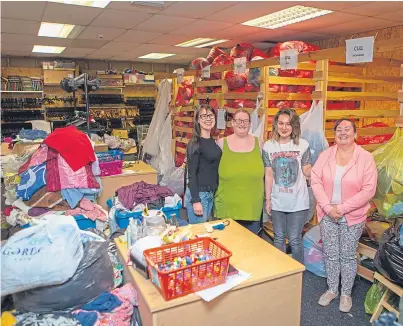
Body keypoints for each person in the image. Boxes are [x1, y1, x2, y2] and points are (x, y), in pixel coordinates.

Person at [311, 119, 377, 313]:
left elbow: (368, 190)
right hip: (327, 213)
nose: (343, 132)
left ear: (355, 134)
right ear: (335, 134)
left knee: (348, 255)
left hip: (352, 216)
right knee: (331, 253)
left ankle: (346, 293)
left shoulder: (365, 158)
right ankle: (332, 289)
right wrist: (326, 206)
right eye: (339, 129)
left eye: (347, 129)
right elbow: (315, 181)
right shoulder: (326, 155)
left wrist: (342, 208)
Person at [262, 108, 312, 263]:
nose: (284, 127)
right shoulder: (268, 147)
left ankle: (296, 274)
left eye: (288, 124)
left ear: (294, 126)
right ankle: (281, 271)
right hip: (277, 201)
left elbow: (306, 170)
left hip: (298, 201)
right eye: (281, 123)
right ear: (276, 125)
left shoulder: (302, 145)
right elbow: (269, 174)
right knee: (278, 238)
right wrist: (268, 200)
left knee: (295, 239)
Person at [214, 109, 264, 234]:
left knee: (250, 247)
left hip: (251, 207)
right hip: (226, 206)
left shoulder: (260, 144)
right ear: (232, 123)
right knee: (227, 246)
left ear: (250, 123)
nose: (242, 124)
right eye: (238, 121)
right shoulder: (221, 144)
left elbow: (269, 173)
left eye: (245, 121)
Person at [184, 105, 222, 224]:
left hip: (210, 194)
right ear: (198, 120)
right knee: (198, 235)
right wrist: (196, 200)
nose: (208, 119)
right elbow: (192, 174)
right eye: (204, 116)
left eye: (210, 115)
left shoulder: (212, 141)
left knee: (205, 232)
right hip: (199, 195)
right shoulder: (195, 143)